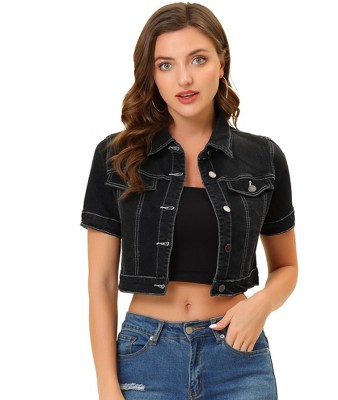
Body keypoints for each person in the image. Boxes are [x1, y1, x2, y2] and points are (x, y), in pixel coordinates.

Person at [81, 3, 298, 399]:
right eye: (165, 65)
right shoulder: (117, 156)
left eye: (198, 59)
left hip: (238, 358)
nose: (184, 78)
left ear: (221, 62)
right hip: (145, 357)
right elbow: (101, 282)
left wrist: (261, 304)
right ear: (151, 74)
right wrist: (106, 386)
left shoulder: (263, 157)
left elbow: (287, 267)